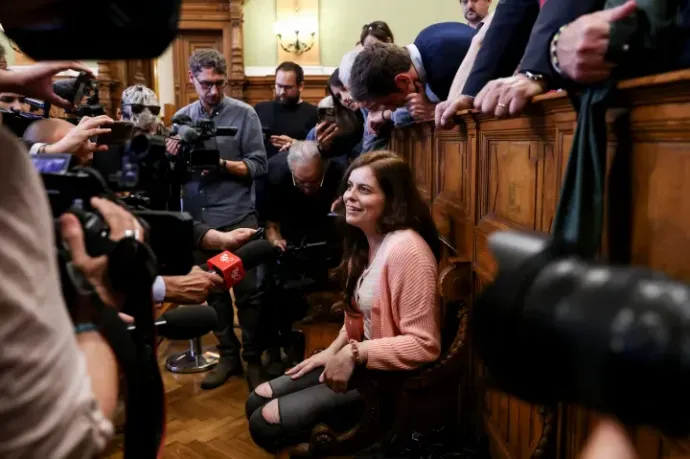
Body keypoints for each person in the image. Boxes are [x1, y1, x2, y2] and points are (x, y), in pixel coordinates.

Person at [246, 150, 442, 453]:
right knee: (257, 398)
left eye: (364, 189)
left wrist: (354, 353)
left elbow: (424, 344)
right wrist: (332, 351)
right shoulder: (365, 241)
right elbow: (358, 318)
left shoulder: (407, 250)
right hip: (361, 358)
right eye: (349, 186)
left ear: (393, 199)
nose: (349, 196)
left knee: (265, 422)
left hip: (385, 380)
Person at [170, 48, 268, 390]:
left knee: (248, 295)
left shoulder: (245, 115)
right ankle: (229, 356)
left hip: (236, 218)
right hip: (201, 224)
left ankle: (253, 358)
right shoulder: (181, 118)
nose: (213, 91)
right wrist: (174, 158)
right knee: (214, 294)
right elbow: (176, 176)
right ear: (192, 80)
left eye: (218, 83)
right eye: (205, 84)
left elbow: (259, 166)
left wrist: (222, 164)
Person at [262, 141, 345, 376]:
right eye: (301, 182)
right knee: (275, 291)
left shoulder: (338, 172)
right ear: (292, 172)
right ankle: (281, 349)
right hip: (290, 236)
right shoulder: (275, 173)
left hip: (328, 234)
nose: (308, 188)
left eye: (314, 182)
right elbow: (271, 223)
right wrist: (276, 240)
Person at [254, 62, 318, 159]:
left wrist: (296, 145)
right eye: (279, 86)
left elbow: (320, 150)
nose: (282, 92)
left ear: (301, 86)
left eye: (288, 87)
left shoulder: (313, 113)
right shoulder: (260, 109)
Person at [304, 70, 364, 167]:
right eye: (338, 97)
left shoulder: (370, 101)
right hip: (336, 157)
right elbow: (325, 139)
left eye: (345, 89)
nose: (344, 99)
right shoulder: (327, 106)